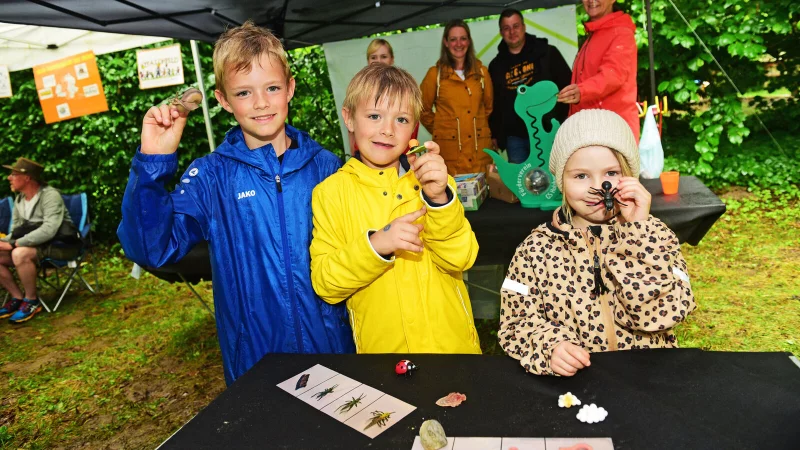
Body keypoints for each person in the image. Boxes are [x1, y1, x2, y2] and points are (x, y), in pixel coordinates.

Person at [117, 22, 355, 386]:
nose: (261, 103)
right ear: (223, 100)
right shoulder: (212, 177)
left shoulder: (326, 166)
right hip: (256, 365)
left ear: (289, 88)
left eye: (272, 88)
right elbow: (152, 249)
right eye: (244, 93)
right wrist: (152, 164)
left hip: (334, 353)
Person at [498, 109, 696, 376]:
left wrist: (638, 235)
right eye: (580, 176)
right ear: (561, 182)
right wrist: (550, 347)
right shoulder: (534, 250)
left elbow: (661, 315)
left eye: (611, 173)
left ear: (630, 176)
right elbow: (515, 324)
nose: (598, 186)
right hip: (578, 386)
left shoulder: (658, 237)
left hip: (649, 376)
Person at [310, 64, 481, 354]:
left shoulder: (434, 181)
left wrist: (439, 200)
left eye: (401, 119)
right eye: (374, 116)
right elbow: (326, 283)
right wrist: (376, 245)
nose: (387, 130)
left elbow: (462, 259)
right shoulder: (330, 194)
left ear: (413, 127)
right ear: (349, 118)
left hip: (453, 351)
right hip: (384, 358)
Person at [0, 158, 78, 324]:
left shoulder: (50, 196)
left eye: (13, 174)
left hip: (60, 246)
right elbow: (15, 232)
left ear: (27, 177)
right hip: (37, 247)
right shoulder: (19, 200)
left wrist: (14, 244)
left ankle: (31, 300)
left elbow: (49, 230)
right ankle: (17, 297)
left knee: (19, 253)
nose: (9, 178)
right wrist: (5, 242)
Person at [488, 8, 572, 163]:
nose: (512, 32)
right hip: (515, 138)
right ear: (501, 32)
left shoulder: (547, 52)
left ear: (524, 27)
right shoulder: (495, 66)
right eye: (506, 28)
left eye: (516, 26)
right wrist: (495, 134)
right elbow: (494, 103)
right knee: (522, 184)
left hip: (548, 132)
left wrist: (563, 122)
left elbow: (568, 86)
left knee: (554, 180)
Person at [557, 0, 640, 141]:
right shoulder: (594, 33)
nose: (591, 1)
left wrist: (581, 91)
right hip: (590, 132)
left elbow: (613, 75)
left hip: (612, 134)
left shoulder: (621, 33)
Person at [420, 20, 493, 176]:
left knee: (484, 197)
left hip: (479, 154)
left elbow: (488, 108)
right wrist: (443, 130)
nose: (458, 44)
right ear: (446, 42)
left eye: (463, 38)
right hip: (450, 156)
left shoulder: (481, 73)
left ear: (469, 41)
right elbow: (421, 109)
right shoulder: (435, 74)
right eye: (453, 39)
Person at [349, 39, 419, 155]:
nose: (378, 61)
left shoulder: (406, 91)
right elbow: (351, 135)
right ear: (368, 60)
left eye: (383, 56)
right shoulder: (359, 90)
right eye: (374, 57)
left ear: (392, 59)